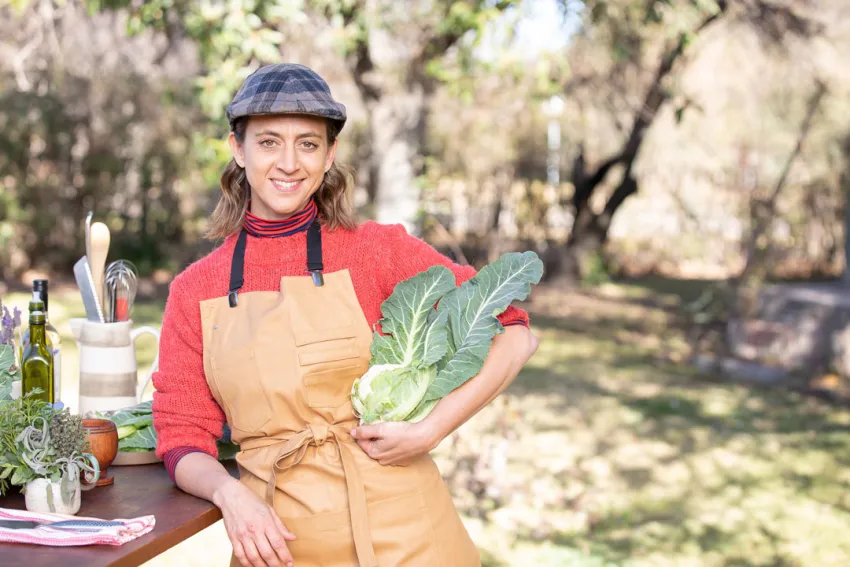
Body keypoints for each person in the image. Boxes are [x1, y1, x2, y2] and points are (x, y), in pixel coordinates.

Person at [152, 63, 539, 567]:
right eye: (269, 142)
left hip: (411, 535)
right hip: (278, 544)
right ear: (238, 148)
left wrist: (430, 430)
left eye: (308, 144)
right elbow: (182, 435)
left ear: (329, 154)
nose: (289, 162)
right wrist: (231, 496)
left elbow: (514, 331)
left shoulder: (378, 252)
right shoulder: (194, 290)